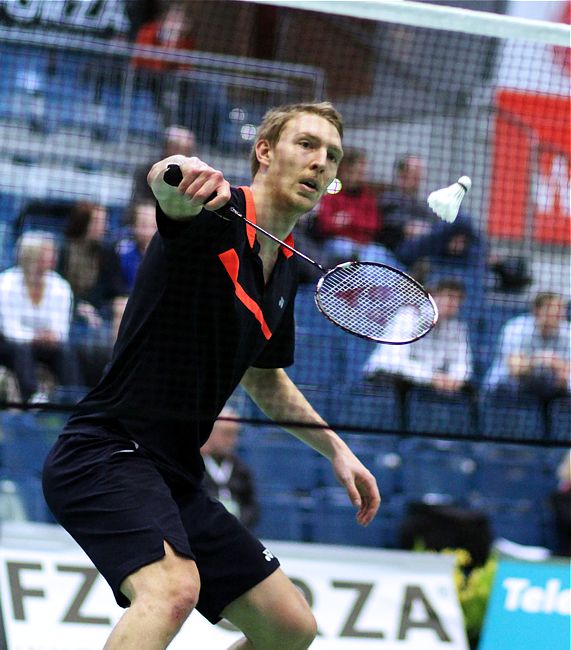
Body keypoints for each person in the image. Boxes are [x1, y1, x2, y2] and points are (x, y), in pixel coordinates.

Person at [42, 101, 381, 649]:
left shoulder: (287, 266)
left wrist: (338, 451)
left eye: (333, 155)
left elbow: (264, 379)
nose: (321, 163)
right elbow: (168, 190)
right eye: (307, 145)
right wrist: (174, 171)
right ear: (264, 152)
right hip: (107, 451)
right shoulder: (213, 216)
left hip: (176, 474)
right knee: (173, 589)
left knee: (290, 627)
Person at [132, 1, 231, 149]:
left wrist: (173, 46)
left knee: (204, 94)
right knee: (169, 93)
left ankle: (203, 139)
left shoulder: (185, 41)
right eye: (174, 19)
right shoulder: (148, 31)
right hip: (145, 79)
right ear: (165, 18)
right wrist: (168, 49)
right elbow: (142, 61)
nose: (176, 24)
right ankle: (169, 133)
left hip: (174, 84)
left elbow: (185, 68)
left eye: (180, 20)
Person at [0, 231, 79, 402]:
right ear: (31, 255)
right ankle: (33, 399)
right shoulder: (6, 283)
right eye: (47, 253)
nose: (53, 257)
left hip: (45, 345)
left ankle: (74, 400)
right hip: (10, 345)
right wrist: (34, 337)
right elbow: (10, 329)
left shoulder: (60, 287)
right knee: (22, 350)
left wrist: (52, 336)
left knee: (65, 352)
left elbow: (61, 329)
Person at [58, 201, 128, 387]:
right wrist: (78, 305)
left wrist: (118, 306)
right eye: (98, 221)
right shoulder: (63, 249)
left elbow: (117, 289)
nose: (104, 226)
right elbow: (57, 285)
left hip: (99, 315)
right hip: (66, 311)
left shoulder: (107, 252)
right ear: (84, 223)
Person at [363, 279, 473, 394]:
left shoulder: (457, 328)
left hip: (424, 388)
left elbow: (463, 365)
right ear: (433, 295)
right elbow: (393, 362)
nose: (453, 303)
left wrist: (455, 379)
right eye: (448, 296)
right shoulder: (407, 316)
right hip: (384, 383)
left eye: (458, 298)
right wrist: (431, 377)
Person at [311, 148, 399, 268]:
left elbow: (373, 225)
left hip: (365, 245)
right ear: (346, 170)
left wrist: (348, 220)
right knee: (347, 250)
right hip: (339, 243)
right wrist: (339, 223)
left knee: (380, 253)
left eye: (363, 172)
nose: (361, 175)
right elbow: (325, 224)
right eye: (358, 172)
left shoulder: (367, 196)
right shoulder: (332, 193)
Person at [484, 292, 570, 402]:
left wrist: (556, 365)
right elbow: (515, 369)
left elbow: (567, 370)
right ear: (537, 311)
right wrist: (542, 360)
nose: (560, 314)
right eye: (554, 309)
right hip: (507, 387)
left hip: (547, 386)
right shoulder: (517, 328)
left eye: (562, 309)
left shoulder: (567, 331)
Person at [201, 406, 259, 530]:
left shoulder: (241, 469)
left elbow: (251, 506)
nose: (232, 440)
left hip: (236, 532)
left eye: (235, 434)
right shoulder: (194, 466)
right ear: (210, 433)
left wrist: (238, 525)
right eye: (227, 434)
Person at [131, 124, 197, 203]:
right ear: (166, 147)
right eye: (176, 148)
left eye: (187, 150)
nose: (182, 155)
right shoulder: (147, 171)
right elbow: (140, 202)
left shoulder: (196, 173)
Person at [115, 199, 158, 291]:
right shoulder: (122, 255)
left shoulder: (167, 256)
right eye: (143, 225)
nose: (148, 232)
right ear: (134, 227)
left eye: (154, 226)